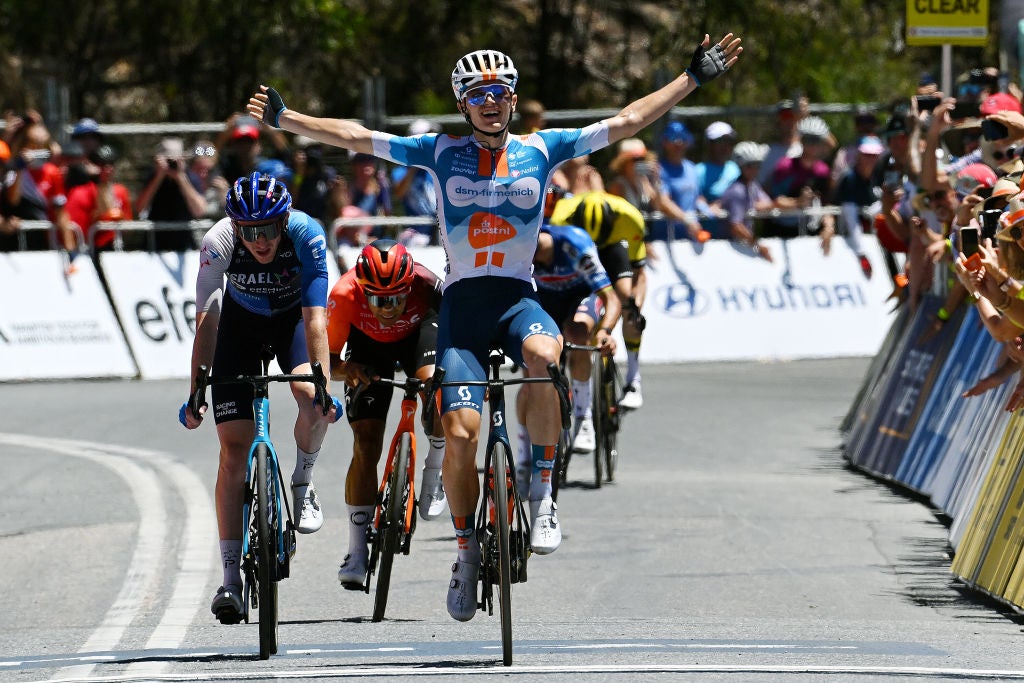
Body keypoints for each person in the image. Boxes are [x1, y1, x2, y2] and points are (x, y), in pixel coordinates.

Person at [248, 31, 742, 622]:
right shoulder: (438, 150)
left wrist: (690, 79)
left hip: (515, 300)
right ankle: (464, 553)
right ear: (463, 102)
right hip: (462, 309)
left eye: (501, 90)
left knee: (545, 355)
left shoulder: (544, 147)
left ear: (513, 99)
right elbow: (356, 136)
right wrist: (287, 117)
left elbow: (628, 119)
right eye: (478, 92)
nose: (491, 100)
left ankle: (543, 492)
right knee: (459, 434)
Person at [178, 172, 342, 624]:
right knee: (233, 449)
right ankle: (230, 579)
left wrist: (324, 384)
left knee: (312, 401)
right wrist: (197, 390)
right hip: (240, 328)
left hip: (292, 322)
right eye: (250, 231)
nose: (261, 240)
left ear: (284, 219)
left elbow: (315, 319)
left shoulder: (306, 232)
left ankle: (303, 482)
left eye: (269, 228)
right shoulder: (218, 241)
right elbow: (207, 322)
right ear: (236, 227)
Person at [326, 239, 447, 589]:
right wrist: (347, 369)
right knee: (365, 444)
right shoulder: (344, 295)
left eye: (396, 297)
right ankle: (356, 550)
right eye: (378, 300)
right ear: (363, 291)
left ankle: (434, 470)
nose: (389, 307)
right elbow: (326, 363)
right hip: (368, 347)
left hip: (419, 335)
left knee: (436, 390)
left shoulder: (428, 286)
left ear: (409, 285)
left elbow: (456, 340)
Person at [518, 210, 621, 478]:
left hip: (582, 296)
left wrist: (606, 331)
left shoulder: (574, 245)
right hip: (547, 302)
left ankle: (584, 417)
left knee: (578, 334)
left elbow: (611, 298)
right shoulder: (518, 255)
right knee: (532, 367)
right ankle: (524, 451)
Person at [548, 190, 649, 409]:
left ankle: (634, 380)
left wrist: (634, 310)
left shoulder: (630, 218)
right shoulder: (560, 218)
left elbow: (639, 273)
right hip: (579, 250)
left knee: (628, 302)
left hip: (612, 248)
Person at [134, 137, 209, 250]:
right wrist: (159, 176)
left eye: (176, 159)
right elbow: (139, 208)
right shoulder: (152, 176)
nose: (172, 163)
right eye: (169, 159)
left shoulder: (190, 177)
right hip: (155, 243)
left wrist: (180, 177)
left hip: (184, 243)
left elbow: (199, 211)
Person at [65, 144, 133, 254]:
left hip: (113, 247)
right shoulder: (81, 191)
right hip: (87, 248)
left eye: (111, 163)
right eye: (102, 164)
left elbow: (127, 224)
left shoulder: (120, 191)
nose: (108, 168)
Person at [718, 141, 775, 261]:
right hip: (732, 248)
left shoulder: (752, 185)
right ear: (740, 166)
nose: (754, 169)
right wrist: (758, 246)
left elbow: (768, 203)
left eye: (757, 165)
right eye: (750, 165)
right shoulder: (737, 191)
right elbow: (736, 226)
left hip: (744, 244)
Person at [656, 120, 710, 242]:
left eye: (683, 139)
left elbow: (697, 197)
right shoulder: (659, 170)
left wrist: (709, 209)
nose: (679, 143)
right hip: (666, 240)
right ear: (665, 142)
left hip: (691, 238)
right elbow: (663, 202)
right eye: (673, 139)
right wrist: (687, 220)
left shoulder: (691, 168)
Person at [390, 120, 440, 246]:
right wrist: (415, 164)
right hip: (417, 232)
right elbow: (399, 193)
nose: (432, 143)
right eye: (427, 139)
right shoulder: (401, 171)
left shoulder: (438, 167)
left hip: (440, 228)